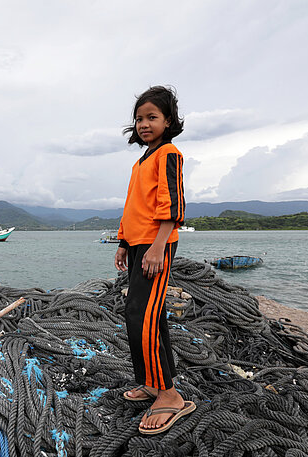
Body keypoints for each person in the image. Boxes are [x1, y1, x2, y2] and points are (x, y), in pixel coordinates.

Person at [115, 86, 196, 434]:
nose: (144, 124)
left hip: (155, 245)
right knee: (145, 313)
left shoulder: (169, 154)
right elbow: (134, 205)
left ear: (168, 121)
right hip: (138, 245)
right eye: (139, 118)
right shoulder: (142, 160)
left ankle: (170, 395)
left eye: (152, 117)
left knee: (141, 315)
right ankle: (151, 381)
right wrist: (122, 243)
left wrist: (158, 247)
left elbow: (172, 206)